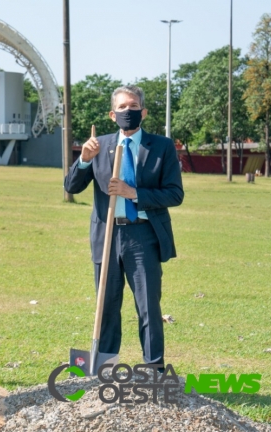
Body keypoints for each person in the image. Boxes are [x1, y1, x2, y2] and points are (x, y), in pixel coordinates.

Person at [64, 85, 184, 369]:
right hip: (107, 234)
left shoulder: (161, 146)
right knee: (106, 308)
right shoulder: (99, 145)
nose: (127, 111)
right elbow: (71, 186)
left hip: (143, 235)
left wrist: (134, 193)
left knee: (148, 308)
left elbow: (174, 194)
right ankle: (104, 369)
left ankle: (153, 371)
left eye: (133, 106)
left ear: (143, 111)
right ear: (112, 114)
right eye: (122, 107)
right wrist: (83, 160)